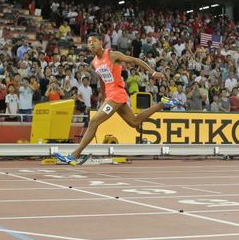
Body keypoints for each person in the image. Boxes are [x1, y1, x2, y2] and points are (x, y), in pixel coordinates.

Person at [54, 33, 178, 165]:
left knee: (93, 122)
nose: (91, 44)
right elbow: (102, 80)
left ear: (101, 42)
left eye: (94, 41)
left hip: (117, 94)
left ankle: (73, 155)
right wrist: (103, 97)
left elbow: (135, 60)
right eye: (89, 42)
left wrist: (153, 73)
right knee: (134, 122)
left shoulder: (112, 55)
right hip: (110, 96)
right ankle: (162, 104)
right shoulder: (94, 62)